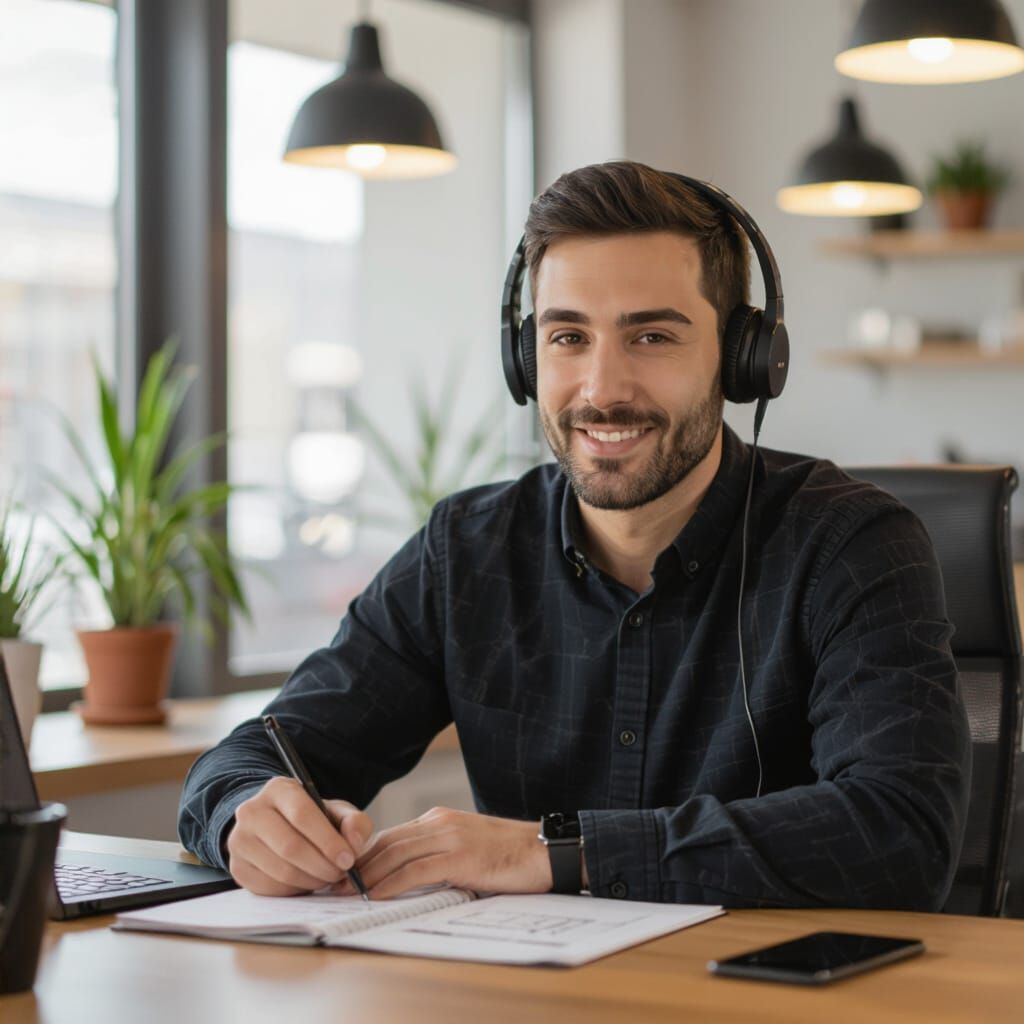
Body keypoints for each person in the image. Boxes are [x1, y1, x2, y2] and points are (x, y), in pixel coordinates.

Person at [179, 161, 970, 910]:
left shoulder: (851, 543)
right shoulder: (467, 550)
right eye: (567, 337)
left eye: (652, 337)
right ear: (526, 358)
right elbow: (259, 755)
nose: (602, 389)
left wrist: (554, 851)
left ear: (741, 359)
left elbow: (899, 834)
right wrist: (249, 814)